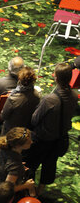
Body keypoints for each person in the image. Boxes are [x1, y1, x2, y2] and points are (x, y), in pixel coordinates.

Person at [25, 62, 78, 195]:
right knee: (49, 165)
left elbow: (34, 119)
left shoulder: (49, 99)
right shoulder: (74, 95)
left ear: (55, 78)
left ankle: (30, 191)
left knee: (31, 163)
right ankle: (40, 190)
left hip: (43, 138)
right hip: (59, 138)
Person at [0, 127, 36, 203]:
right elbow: (8, 189)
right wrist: (26, 185)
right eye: (28, 142)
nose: (31, 142)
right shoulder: (15, 163)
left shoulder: (2, 144)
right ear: (18, 145)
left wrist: (10, 168)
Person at [0, 66, 40, 134]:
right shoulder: (37, 95)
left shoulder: (13, 98)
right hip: (25, 130)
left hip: (10, 131)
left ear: (20, 79)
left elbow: (3, 116)